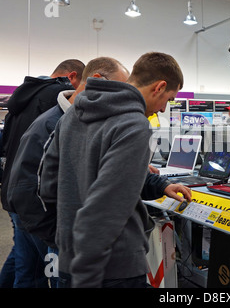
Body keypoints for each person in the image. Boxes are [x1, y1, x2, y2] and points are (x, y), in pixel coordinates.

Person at [39, 52, 191, 288]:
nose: (163, 109)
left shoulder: (74, 113)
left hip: (70, 259)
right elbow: (105, 208)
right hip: (112, 267)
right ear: (159, 87)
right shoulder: (134, 124)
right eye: (169, 99)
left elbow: (47, 183)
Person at [4, 57, 130, 287]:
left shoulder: (85, 122)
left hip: (51, 226)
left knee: (28, 273)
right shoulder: (53, 124)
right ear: (96, 81)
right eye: (118, 90)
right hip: (49, 228)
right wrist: (60, 238)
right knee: (32, 277)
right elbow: (24, 189)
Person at [0, 59, 85, 288]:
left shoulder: (20, 97)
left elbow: (6, 145)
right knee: (51, 269)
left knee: (25, 265)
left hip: (14, 188)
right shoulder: (56, 99)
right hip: (37, 194)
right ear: (74, 77)